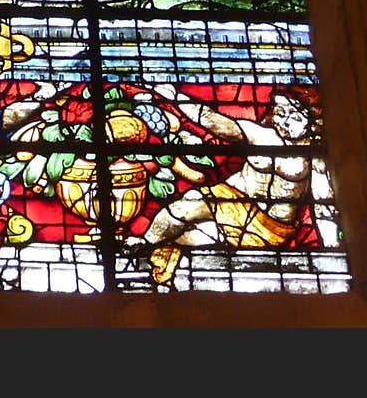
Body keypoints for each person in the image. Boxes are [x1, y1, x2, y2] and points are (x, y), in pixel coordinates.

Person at [136, 85, 339, 287]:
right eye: (280, 112)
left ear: (313, 123)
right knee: (184, 215)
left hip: (271, 230)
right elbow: (215, 121)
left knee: (190, 235)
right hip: (234, 203)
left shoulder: (314, 158)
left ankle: (150, 261)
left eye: (295, 117)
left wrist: (332, 252)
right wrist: (178, 98)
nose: (284, 122)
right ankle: (141, 247)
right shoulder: (260, 135)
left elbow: (323, 207)